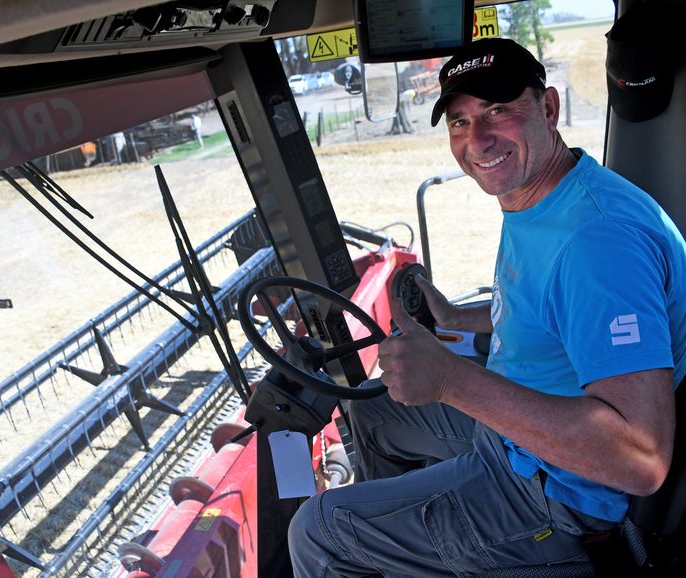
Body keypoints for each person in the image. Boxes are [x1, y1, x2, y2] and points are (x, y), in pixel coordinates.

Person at [289, 37, 686, 576]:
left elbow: (640, 460)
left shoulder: (597, 241)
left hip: (561, 497)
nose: (477, 138)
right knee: (372, 410)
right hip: (515, 434)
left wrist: (450, 380)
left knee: (320, 531)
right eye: (459, 120)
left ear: (548, 108)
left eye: (499, 110)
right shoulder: (547, 195)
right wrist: (455, 319)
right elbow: (549, 313)